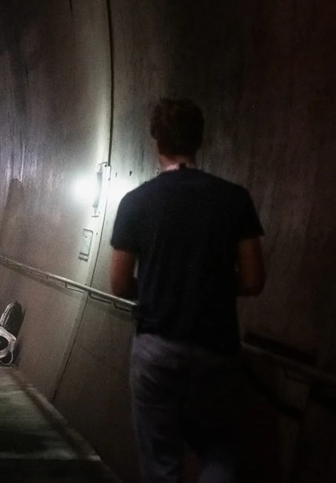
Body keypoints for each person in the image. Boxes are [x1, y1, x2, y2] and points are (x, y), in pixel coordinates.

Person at [109, 98, 266, 482]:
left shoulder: (135, 202)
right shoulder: (234, 198)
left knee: (161, 461)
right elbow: (253, 279)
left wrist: (157, 288)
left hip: (158, 346)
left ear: (156, 142)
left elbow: (117, 282)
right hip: (217, 346)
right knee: (220, 448)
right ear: (200, 140)